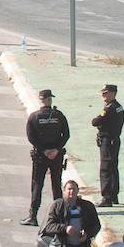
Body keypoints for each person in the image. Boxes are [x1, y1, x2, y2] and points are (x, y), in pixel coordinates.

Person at [23, 89, 70, 226]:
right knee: (56, 184)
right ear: (49, 100)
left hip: (40, 156)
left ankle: (33, 215)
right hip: (56, 156)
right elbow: (66, 134)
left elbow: (31, 137)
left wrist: (44, 150)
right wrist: (56, 149)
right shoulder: (59, 116)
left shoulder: (34, 117)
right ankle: (60, 216)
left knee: (37, 184)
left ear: (40, 100)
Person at [91, 84, 124, 207]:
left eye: (105, 93)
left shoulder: (110, 108)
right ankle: (114, 195)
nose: (103, 95)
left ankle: (107, 198)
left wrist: (97, 120)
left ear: (112, 93)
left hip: (108, 140)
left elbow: (95, 122)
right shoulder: (118, 107)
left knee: (106, 169)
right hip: (114, 140)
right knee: (113, 168)